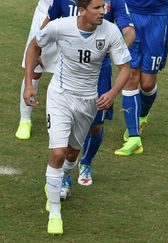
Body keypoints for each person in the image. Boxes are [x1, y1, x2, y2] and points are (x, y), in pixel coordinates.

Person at [23, 0, 131, 235]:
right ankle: (54, 212)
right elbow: (33, 46)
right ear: (82, 10)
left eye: (104, 7)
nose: (103, 11)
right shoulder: (61, 26)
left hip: (87, 101)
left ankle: (61, 179)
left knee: (72, 153)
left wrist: (112, 93)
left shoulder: (110, 32)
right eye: (97, 8)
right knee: (58, 152)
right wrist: (29, 85)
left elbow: (125, 67)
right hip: (60, 96)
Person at [45, 0, 135, 198]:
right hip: (70, 70)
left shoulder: (115, 4)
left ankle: (85, 163)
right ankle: (65, 176)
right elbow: (47, 25)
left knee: (96, 125)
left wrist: (116, 49)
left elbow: (129, 31)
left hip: (99, 71)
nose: (101, 11)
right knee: (66, 128)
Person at [114, 0, 168, 156]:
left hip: (158, 17)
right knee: (131, 74)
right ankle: (134, 138)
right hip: (130, 13)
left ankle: (142, 116)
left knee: (147, 84)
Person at [15, 0, 55, 140]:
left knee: (72, 70)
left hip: (75, 19)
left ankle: (66, 121)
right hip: (46, 15)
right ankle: (25, 120)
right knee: (34, 69)